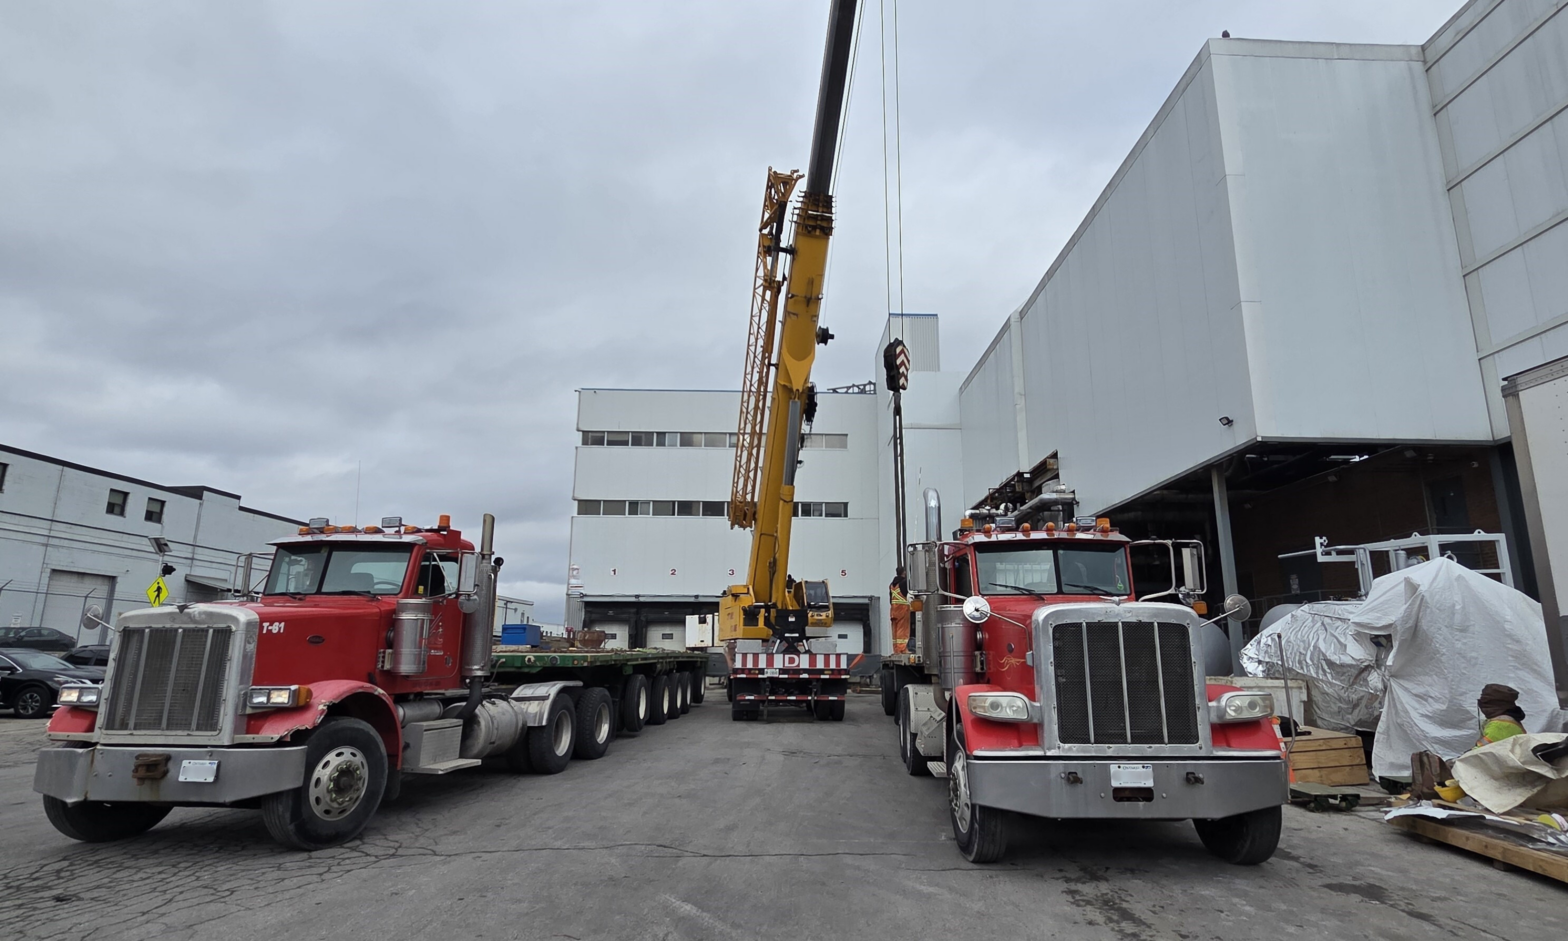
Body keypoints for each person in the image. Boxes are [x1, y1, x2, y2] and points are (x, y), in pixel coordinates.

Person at [890, 566, 911, 654]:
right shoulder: (904, 583)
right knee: (902, 630)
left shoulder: (891, 585)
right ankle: (902, 649)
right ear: (904, 573)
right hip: (902, 609)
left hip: (893, 610)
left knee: (894, 630)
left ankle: (896, 650)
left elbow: (890, 599)